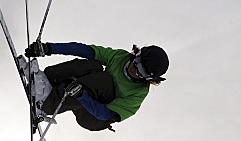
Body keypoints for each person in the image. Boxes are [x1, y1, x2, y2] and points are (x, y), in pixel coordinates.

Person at [25, 40, 169, 132]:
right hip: (83, 94)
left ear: (149, 78)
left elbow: (105, 114)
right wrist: (48, 48)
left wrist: (81, 95)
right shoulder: (121, 57)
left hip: (94, 117)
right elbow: (85, 50)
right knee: (93, 64)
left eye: (141, 72)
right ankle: (46, 79)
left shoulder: (138, 93)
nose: (134, 69)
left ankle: (46, 105)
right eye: (136, 62)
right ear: (137, 55)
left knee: (105, 81)